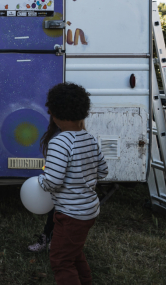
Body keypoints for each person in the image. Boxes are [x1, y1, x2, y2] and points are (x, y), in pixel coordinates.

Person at [37, 83, 108, 285]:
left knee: (60, 259)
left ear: (56, 113)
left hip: (71, 214)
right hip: (88, 210)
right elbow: (103, 170)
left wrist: (41, 180)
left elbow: (53, 181)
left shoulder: (60, 142)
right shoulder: (89, 138)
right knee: (74, 254)